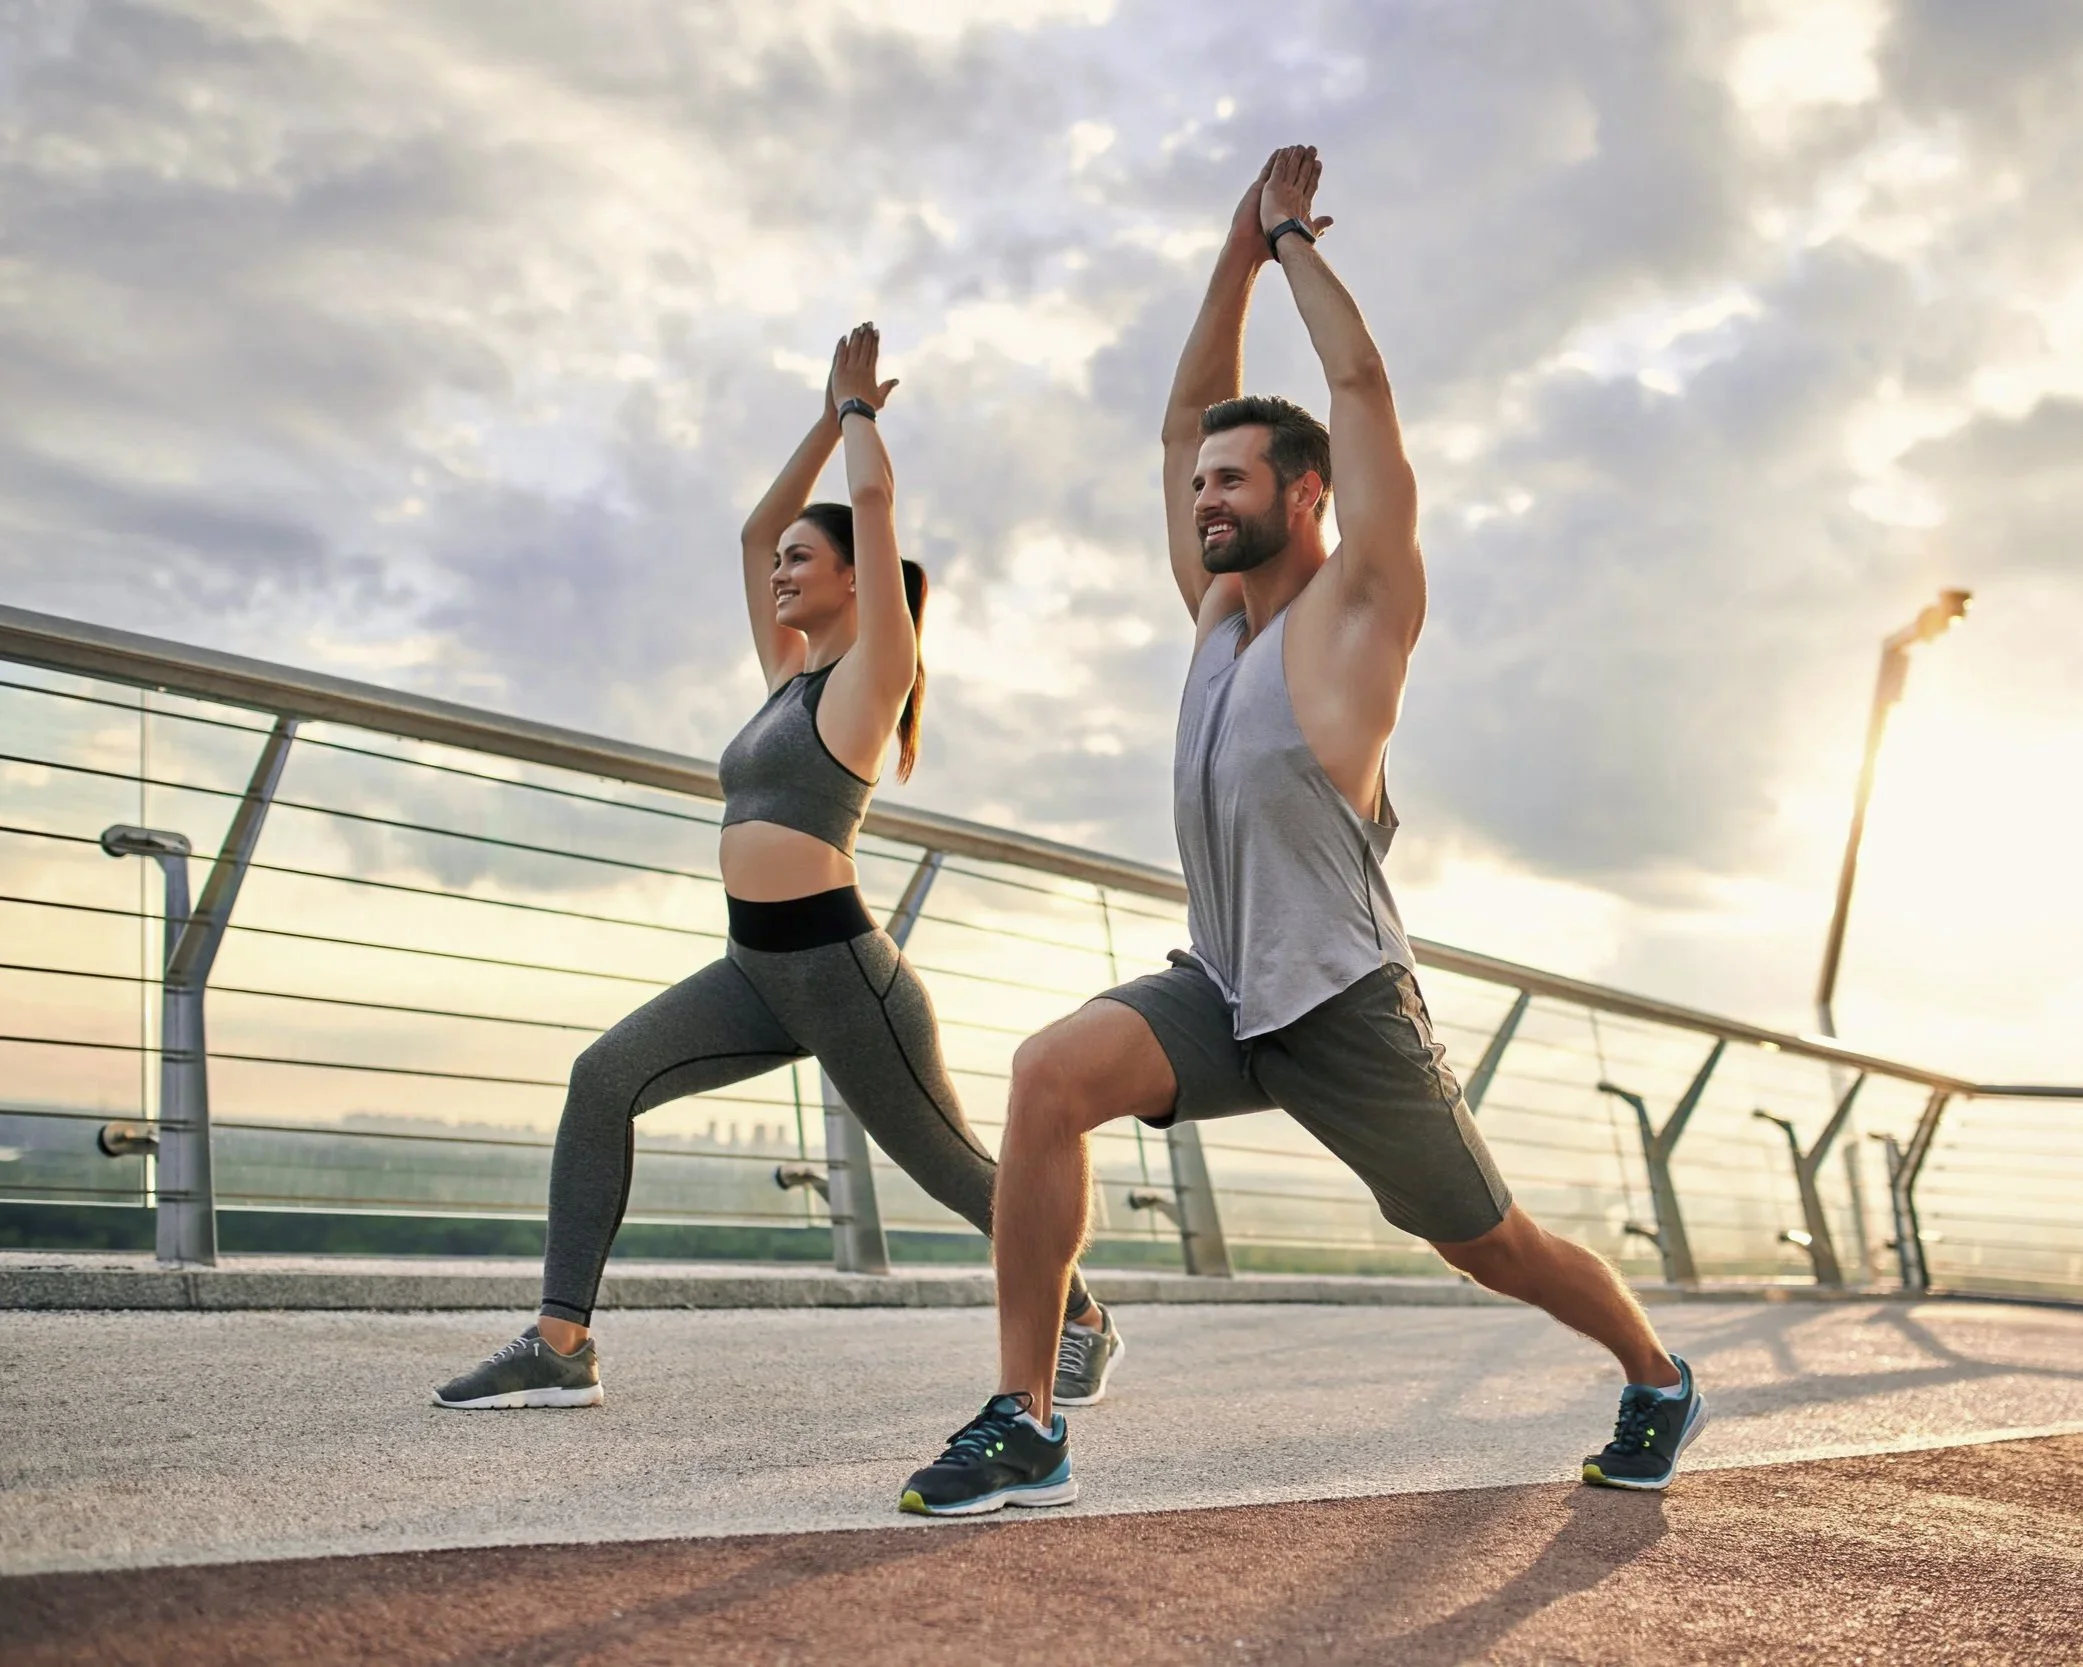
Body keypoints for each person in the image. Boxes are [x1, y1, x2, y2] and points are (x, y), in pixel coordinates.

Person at [897, 150, 1706, 1517]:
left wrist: (1289, 243)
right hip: (1222, 983)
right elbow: (1174, 426)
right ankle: (1025, 1420)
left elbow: (1362, 392)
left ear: (1307, 496)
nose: (1204, 494)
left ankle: (1655, 1370)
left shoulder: (1356, 618)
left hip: (1338, 1002)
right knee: (1047, 1076)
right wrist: (1230, 253)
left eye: (1232, 479)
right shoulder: (1215, 617)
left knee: (1488, 1243)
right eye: (1202, 480)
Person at [434, 325, 1121, 1412]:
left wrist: (860, 417)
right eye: (785, 563)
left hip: (846, 979)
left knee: (955, 1172)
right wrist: (818, 414)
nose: (783, 569)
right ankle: (559, 1342)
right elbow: (756, 527)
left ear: (857, 580)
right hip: (753, 971)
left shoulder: (870, 675)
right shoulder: (788, 678)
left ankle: (1081, 1315)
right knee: (601, 1077)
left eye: (806, 560)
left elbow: (879, 510)